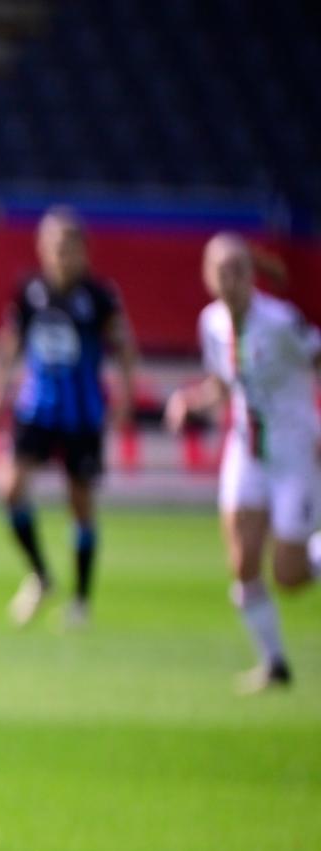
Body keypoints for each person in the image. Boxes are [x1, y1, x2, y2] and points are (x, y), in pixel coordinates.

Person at [165, 233, 321, 692]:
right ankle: (274, 664)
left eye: (239, 270)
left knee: (289, 576)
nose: (230, 280)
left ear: (253, 276)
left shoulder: (280, 322)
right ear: (208, 277)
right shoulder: (211, 323)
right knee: (242, 563)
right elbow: (223, 382)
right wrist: (190, 401)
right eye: (222, 271)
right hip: (246, 453)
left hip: (294, 455)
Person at [0, 207, 139, 629]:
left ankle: (81, 600)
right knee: (8, 487)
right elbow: (9, 343)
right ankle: (42, 576)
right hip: (35, 410)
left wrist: (124, 396)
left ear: (85, 250)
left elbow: (123, 348)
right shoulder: (29, 291)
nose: (62, 254)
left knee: (80, 504)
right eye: (55, 246)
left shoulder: (100, 297)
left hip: (82, 415)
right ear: (42, 249)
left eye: (70, 246)